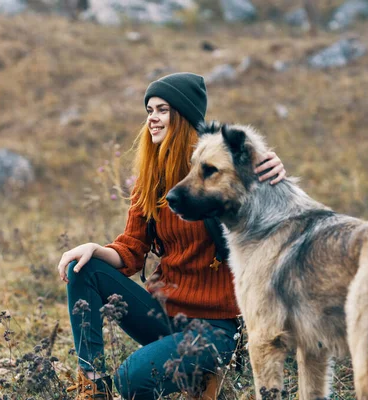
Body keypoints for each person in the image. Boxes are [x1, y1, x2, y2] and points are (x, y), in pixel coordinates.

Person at [57, 72, 286, 400]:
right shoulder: (152, 179)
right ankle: (92, 385)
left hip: (218, 327)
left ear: (184, 117)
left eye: (162, 109)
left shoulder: (226, 173)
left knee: (132, 379)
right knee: (84, 268)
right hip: (164, 314)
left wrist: (272, 173)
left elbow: (274, 225)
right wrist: (94, 249)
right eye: (149, 110)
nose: (152, 118)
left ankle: (203, 373)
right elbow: (133, 248)